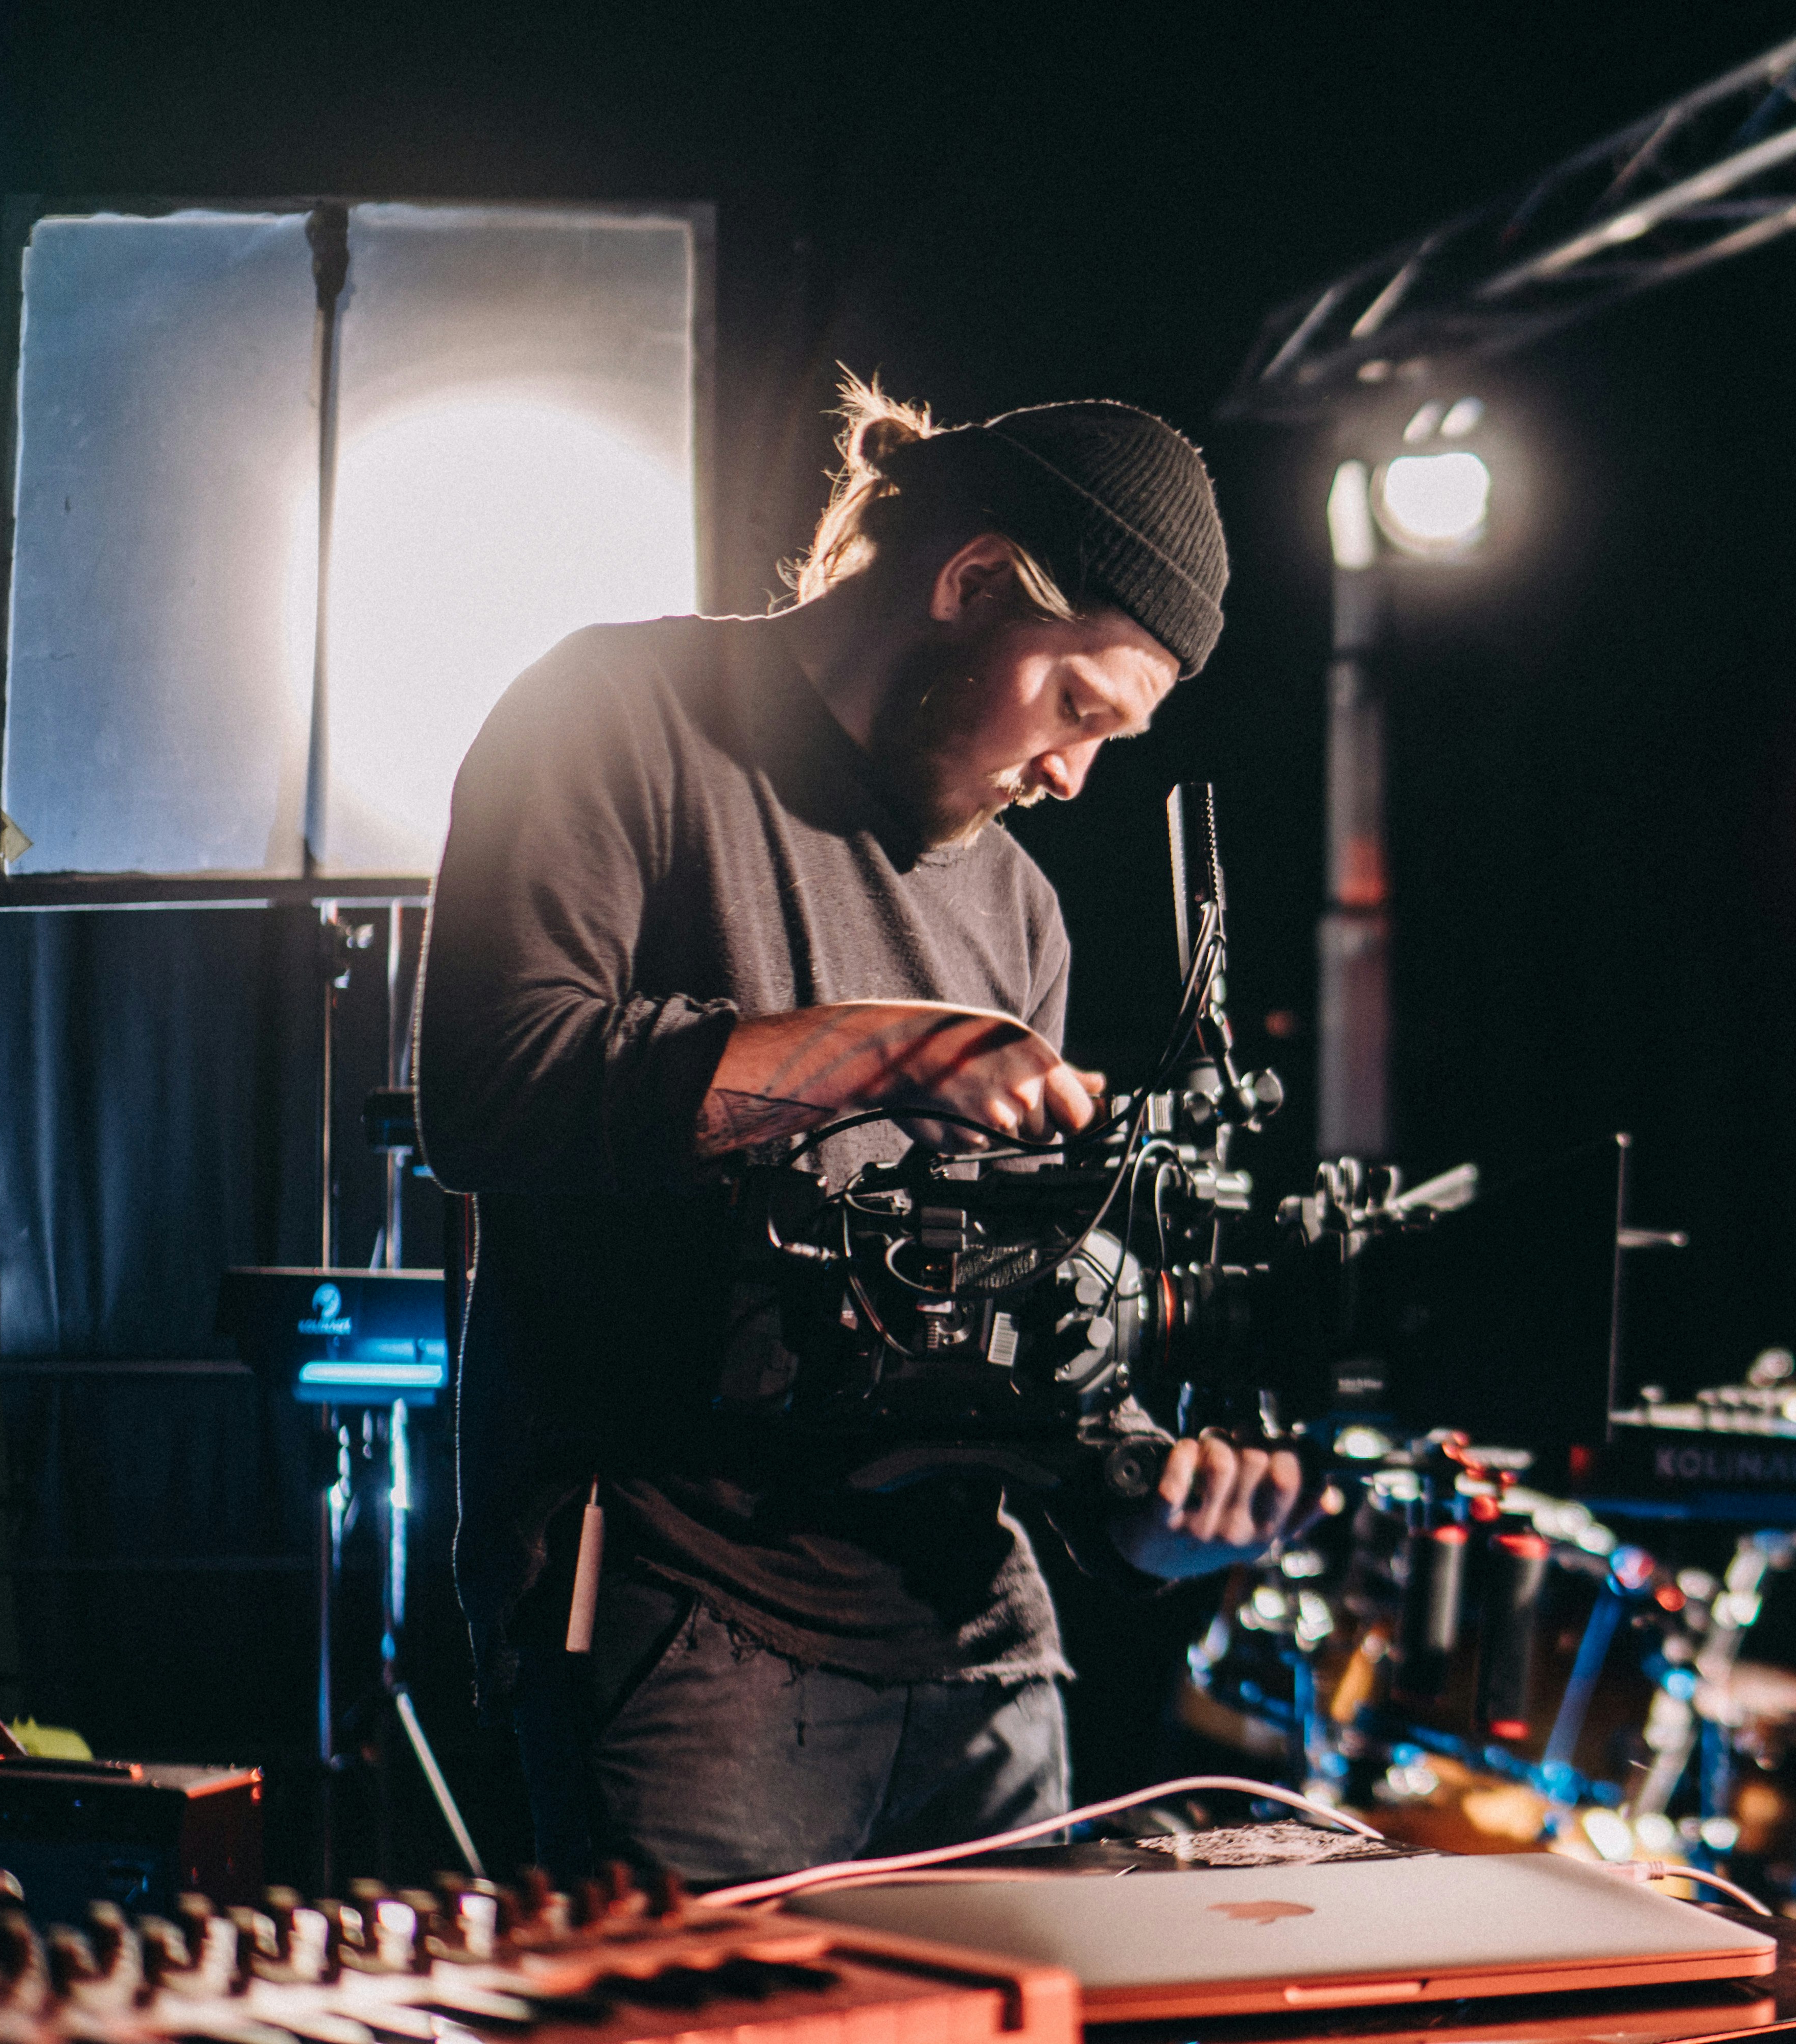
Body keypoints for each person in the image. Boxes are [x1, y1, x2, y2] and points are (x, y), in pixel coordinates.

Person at [415, 378, 1323, 1885]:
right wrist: (895, 1052)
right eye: (1076, 705)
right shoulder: (618, 714)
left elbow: (1017, 1336)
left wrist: (1151, 1510)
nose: (1073, 773)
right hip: (680, 1630)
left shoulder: (1020, 908)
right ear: (970, 584)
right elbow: (494, 1090)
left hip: (983, 1660)